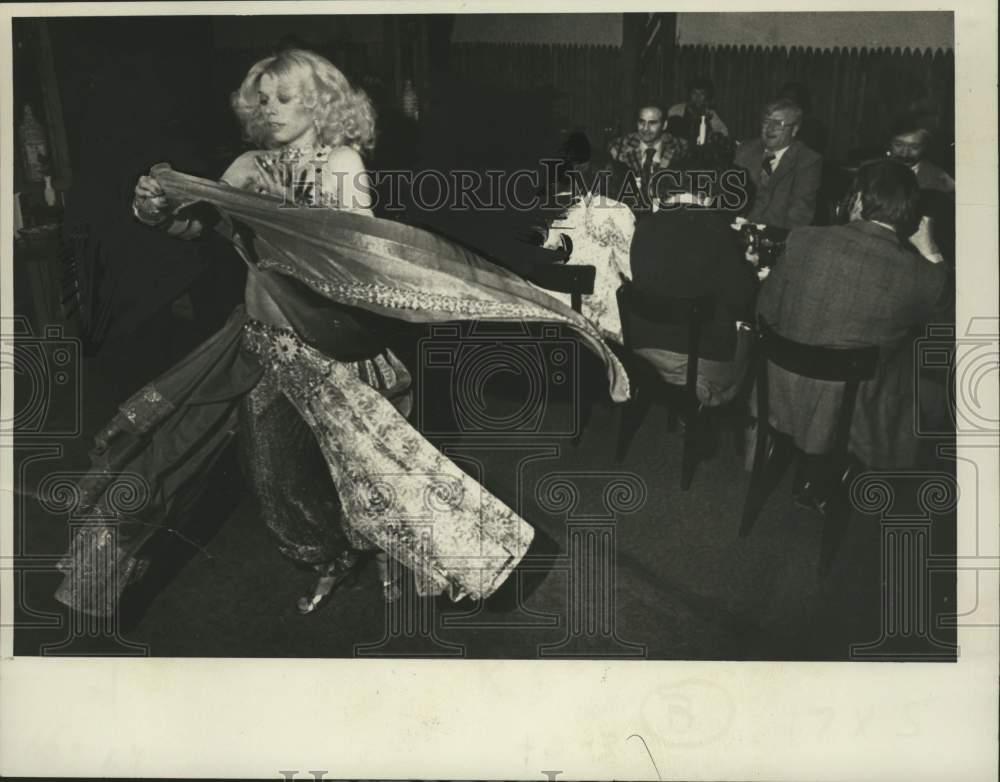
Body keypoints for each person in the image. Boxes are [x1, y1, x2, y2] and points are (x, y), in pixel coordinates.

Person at [55, 49, 629, 620]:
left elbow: (355, 253)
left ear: (319, 103)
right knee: (271, 482)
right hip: (260, 346)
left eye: (285, 97)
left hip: (332, 350)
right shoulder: (248, 167)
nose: (270, 108)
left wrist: (287, 219)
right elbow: (195, 227)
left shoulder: (342, 162)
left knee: (376, 470)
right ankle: (328, 555)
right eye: (263, 99)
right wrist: (154, 209)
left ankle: (386, 551)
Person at [756, 160, 947, 497]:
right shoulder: (922, 275)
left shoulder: (802, 238)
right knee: (931, 390)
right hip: (852, 416)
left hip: (780, 394)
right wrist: (931, 252)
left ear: (857, 200)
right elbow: (953, 334)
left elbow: (764, 312)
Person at [626, 149, 757, 406]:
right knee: (757, 340)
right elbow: (742, 302)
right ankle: (747, 421)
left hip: (641, 352)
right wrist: (748, 268)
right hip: (697, 363)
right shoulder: (717, 230)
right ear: (710, 192)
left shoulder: (643, 226)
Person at [734, 98, 823, 229]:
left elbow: (799, 216)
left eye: (778, 124)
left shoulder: (807, 161)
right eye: (766, 122)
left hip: (776, 235)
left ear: (794, 130)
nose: (770, 129)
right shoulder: (745, 150)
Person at [608, 104, 687, 184]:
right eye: (641, 122)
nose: (645, 128)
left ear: (664, 125)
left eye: (652, 123)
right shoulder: (619, 147)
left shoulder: (681, 148)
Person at [666, 77, 729, 144]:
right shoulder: (676, 110)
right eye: (694, 93)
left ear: (707, 96)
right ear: (689, 94)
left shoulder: (710, 113)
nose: (698, 97)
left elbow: (724, 133)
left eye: (702, 94)